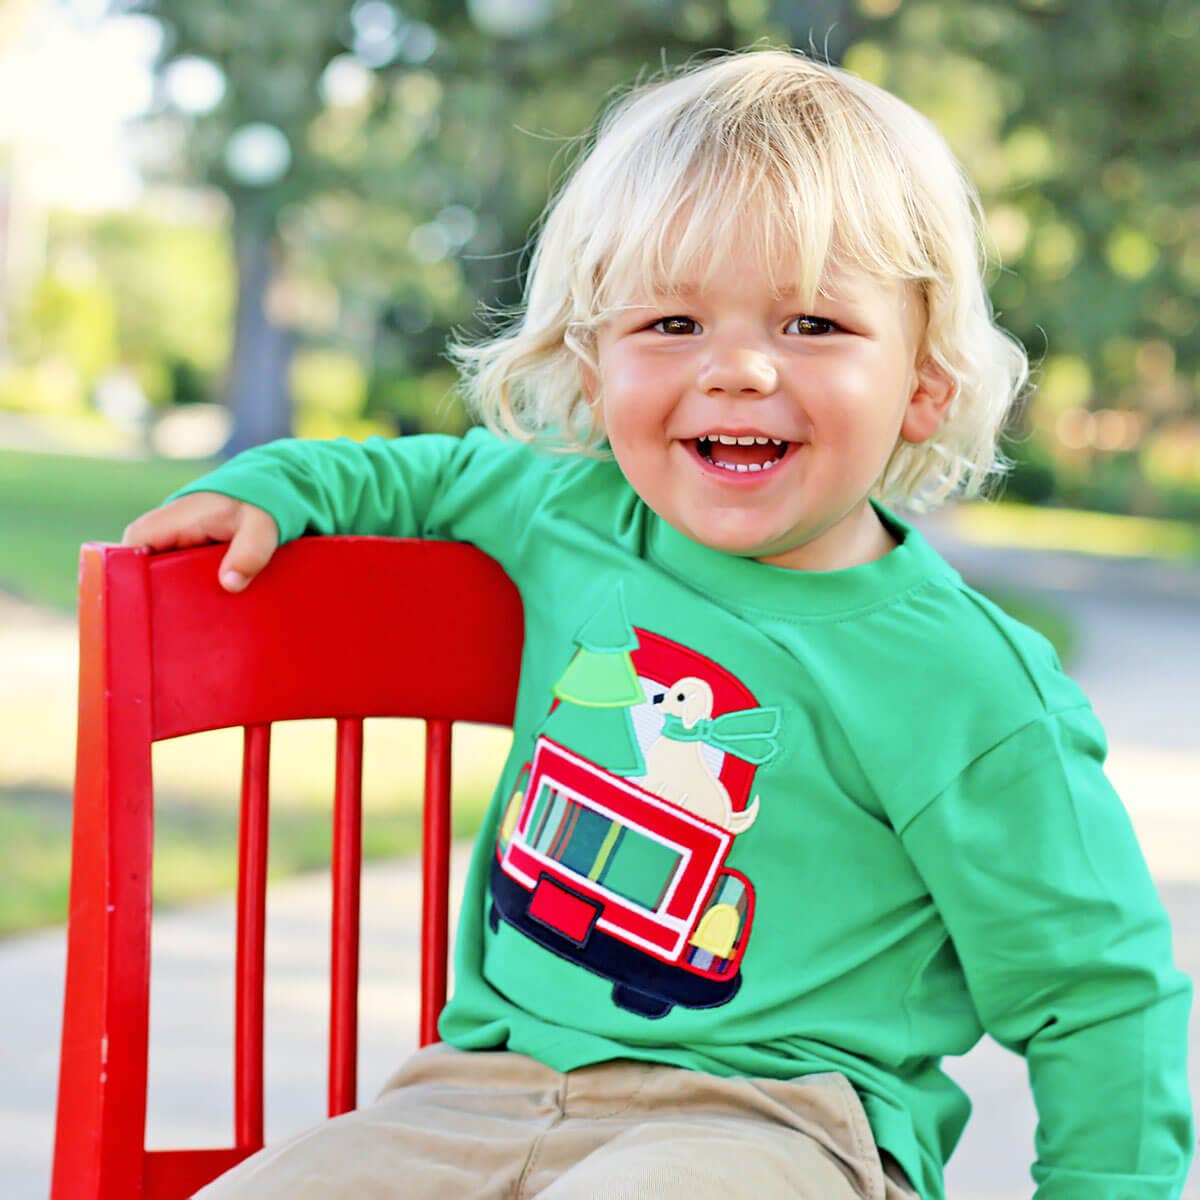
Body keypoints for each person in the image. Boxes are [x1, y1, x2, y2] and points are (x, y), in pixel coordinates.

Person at [123, 48, 1193, 1200]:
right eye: (673, 321)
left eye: (814, 324)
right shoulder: (565, 511)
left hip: (776, 1125)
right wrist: (280, 487)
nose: (736, 368)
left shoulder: (965, 683)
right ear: (593, 365)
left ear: (925, 382)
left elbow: (1097, 992)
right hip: (472, 1091)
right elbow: (414, 480)